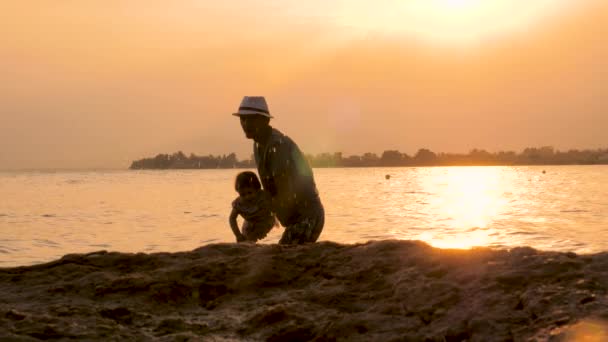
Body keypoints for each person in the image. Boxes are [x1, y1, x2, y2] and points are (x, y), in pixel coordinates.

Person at [232, 96, 325, 244]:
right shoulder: (258, 145)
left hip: (307, 217)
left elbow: (282, 190)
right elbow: (271, 192)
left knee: (281, 258)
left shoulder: (277, 145)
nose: (245, 124)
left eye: (251, 119)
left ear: (265, 121)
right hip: (290, 215)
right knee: (246, 238)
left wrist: (260, 217)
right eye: (242, 119)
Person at [229, 171, 276, 242]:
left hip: (265, 221)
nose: (247, 197)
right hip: (249, 222)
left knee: (252, 237)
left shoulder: (263, 196)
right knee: (243, 241)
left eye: (250, 193)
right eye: (243, 194)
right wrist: (238, 235)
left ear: (257, 190)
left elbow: (274, 200)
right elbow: (232, 218)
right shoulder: (239, 203)